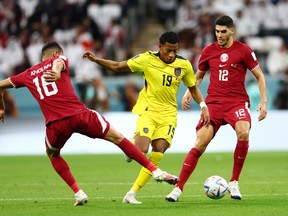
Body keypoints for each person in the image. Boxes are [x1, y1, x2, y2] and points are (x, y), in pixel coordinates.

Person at [0, 41, 180, 206]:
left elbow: (0, 86)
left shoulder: (27, 74)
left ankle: (79, 193)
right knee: (117, 137)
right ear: (56, 53)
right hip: (80, 115)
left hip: (56, 124)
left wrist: (1, 108)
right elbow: (58, 64)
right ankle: (155, 171)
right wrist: (56, 71)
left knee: (53, 154)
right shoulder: (58, 59)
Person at [82, 31, 210, 204]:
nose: (172, 54)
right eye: (168, 50)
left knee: (159, 150)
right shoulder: (147, 59)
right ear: (160, 47)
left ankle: (131, 193)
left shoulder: (184, 64)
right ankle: (132, 144)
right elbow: (118, 66)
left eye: (175, 50)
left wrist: (203, 106)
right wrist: (97, 60)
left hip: (169, 115)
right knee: (142, 151)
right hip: (149, 111)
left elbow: (193, 87)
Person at [165, 15, 268, 202]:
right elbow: (198, 76)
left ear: (232, 31)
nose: (219, 35)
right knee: (200, 143)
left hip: (237, 102)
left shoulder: (244, 50)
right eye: (217, 32)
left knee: (243, 132)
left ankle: (234, 182)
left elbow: (260, 76)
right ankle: (178, 188)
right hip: (213, 104)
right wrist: (189, 92)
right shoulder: (208, 51)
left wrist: (264, 101)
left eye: (223, 32)